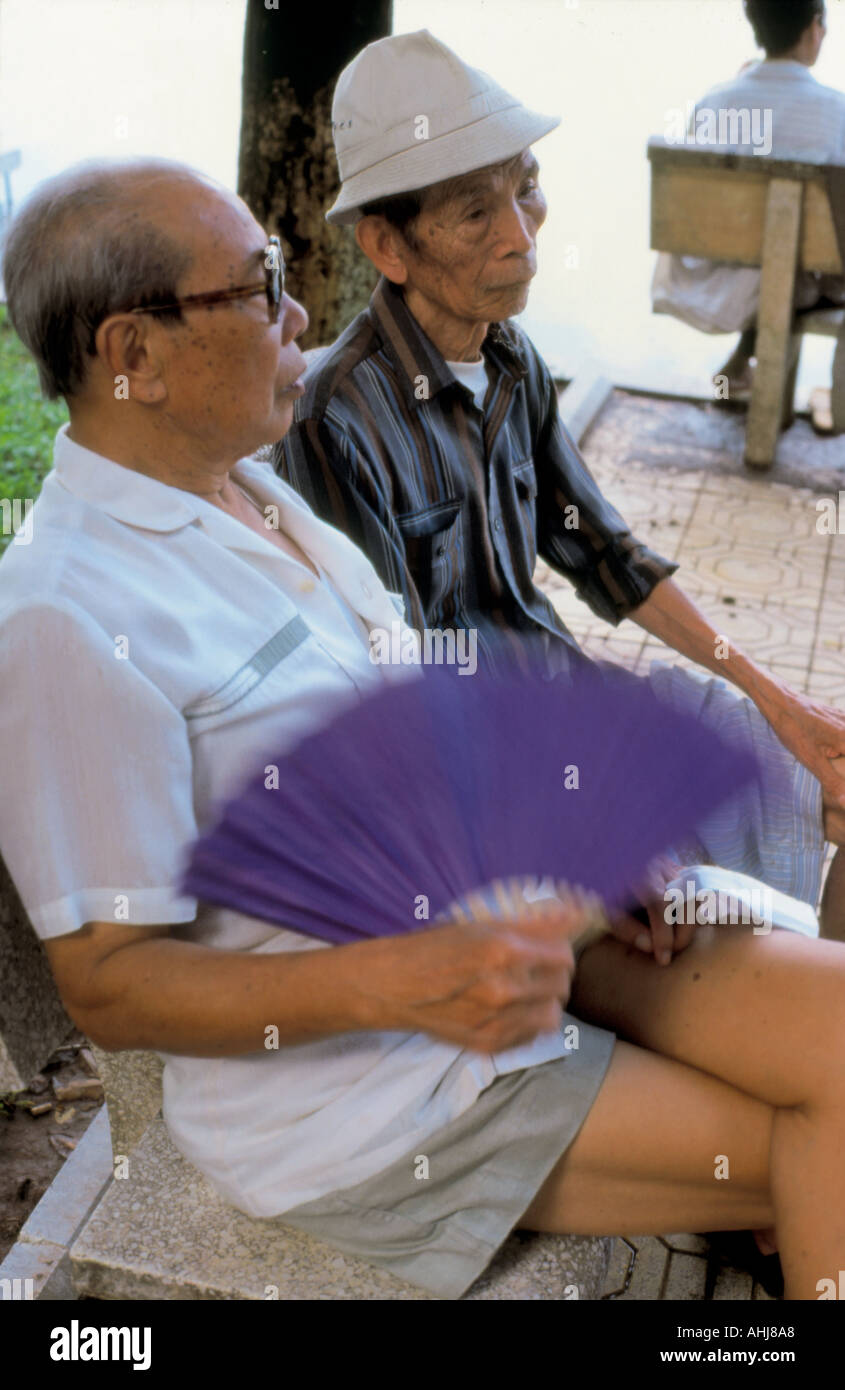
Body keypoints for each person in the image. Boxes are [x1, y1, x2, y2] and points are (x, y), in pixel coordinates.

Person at [2, 158, 844, 1303]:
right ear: (132, 354)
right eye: (257, 288)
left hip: (506, 931)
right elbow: (110, 984)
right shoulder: (66, 614)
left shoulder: (258, 498)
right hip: (368, 1098)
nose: (297, 311)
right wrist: (399, 983)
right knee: (820, 1138)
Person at [277, 30, 845, 946]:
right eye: (475, 213)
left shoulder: (510, 359)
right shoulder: (332, 423)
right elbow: (399, 691)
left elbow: (608, 558)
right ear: (386, 244)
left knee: (827, 771)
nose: (522, 234)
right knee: (718, 939)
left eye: (526, 186)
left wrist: (782, 700)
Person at [650, 0, 845, 404]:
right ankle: (831, 398)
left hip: (724, 277)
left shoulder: (715, 101)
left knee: (770, 246)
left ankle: (739, 366)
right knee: (794, 252)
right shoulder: (837, 111)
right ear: (814, 30)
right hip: (809, 278)